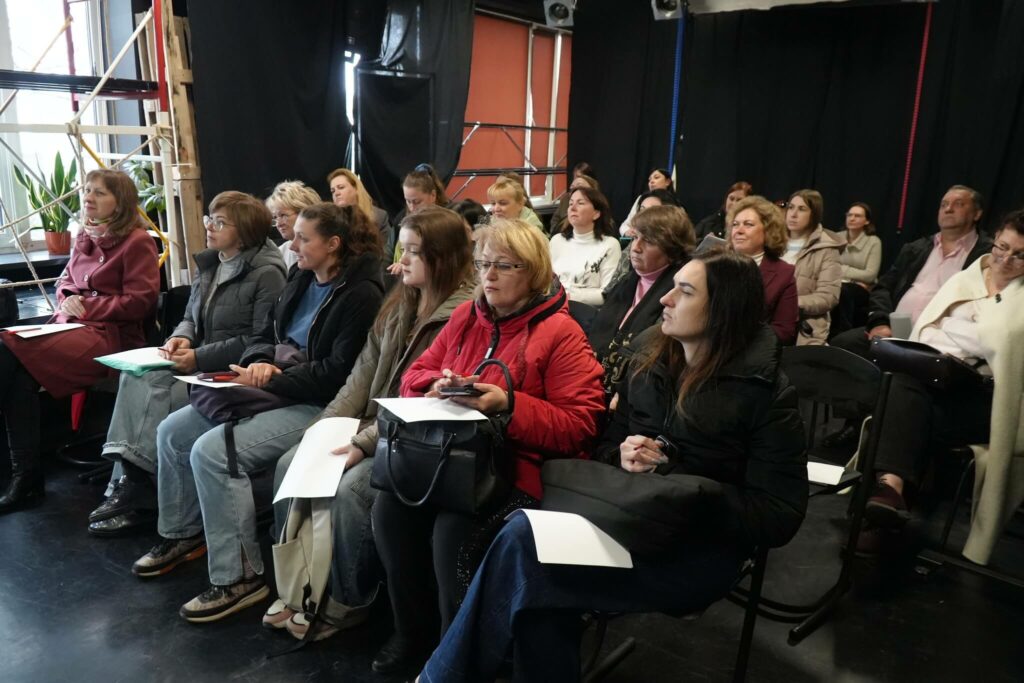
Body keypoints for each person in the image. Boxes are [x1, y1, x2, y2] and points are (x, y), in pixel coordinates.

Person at [415, 250, 808, 682]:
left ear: (723, 310)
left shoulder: (766, 393)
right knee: (528, 551)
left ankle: (439, 677)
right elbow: (601, 448)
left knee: (531, 564)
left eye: (685, 291)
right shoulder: (648, 361)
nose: (665, 299)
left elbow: (779, 514)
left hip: (696, 549)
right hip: (627, 519)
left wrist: (686, 487)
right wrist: (621, 455)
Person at [370, 219, 606, 675]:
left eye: (503, 265)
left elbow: (581, 426)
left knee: (453, 534)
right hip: (450, 460)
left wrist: (509, 405)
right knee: (389, 509)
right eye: (482, 264)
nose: (488, 275)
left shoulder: (561, 333)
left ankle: (456, 659)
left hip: (515, 471)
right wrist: (437, 384)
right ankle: (412, 633)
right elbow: (413, 376)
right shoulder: (466, 317)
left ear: (533, 271)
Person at [132, 203, 385, 623]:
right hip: (271, 386)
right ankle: (183, 533)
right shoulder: (301, 276)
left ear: (333, 244)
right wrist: (259, 362)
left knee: (212, 453)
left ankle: (240, 576)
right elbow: (264, 333)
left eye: (303, 238)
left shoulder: (361, 295)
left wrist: (272, 378)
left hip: (316, 404)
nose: (292, 243)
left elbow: (337, 375)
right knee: (172, 433)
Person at [263, 206, 477, 640]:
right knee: (292, 463)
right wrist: (323, 426)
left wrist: (363, 441)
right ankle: (298, 586)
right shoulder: (401, 302)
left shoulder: (462, 316)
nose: (403, 260)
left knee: (350, 492)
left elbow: (420, 403)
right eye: (403, 249)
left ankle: (346, 600)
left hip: (415, 436)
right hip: (372, 423)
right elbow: (360, 378)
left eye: (414, 251)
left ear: (443, 257)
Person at [88, 191, 287, 536]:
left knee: (154, 393)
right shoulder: (211, 263)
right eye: (210, 218)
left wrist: (198, 356)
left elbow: (259, 340)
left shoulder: (267, 273)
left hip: (230, 371)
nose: (209, 226)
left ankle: (137, 491)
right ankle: (132, 484)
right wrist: (179, 337)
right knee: (134, 379)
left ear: (244, 233)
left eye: (220, 223)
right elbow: (190, 318)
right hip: (196, 362)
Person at [861, 210, 1024, 566]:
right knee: (904, 388)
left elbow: (1004, 354)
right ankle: (889, 497)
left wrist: (960, 340)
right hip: (934, 381)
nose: (1005, 259)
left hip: (989, 399)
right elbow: (927, 330)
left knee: (902, 407)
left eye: (1019, 254)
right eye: (1002, 247)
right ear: (995, 238)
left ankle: (883, 502)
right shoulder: (967, 278)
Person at [0, 169, 159, 513]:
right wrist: (69, 296)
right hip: (73, 327)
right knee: (19, 377)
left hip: (112, 337)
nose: (88, 197)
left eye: (99, 192)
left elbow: (141, 302)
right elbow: (65, 282)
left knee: (6, 348)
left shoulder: (138, 241)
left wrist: (86, 306)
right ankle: (26, 478)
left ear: (120, 201)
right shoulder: (84, 234)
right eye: (87, 190)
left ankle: (26, 480)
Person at [825, 185, 992, 446]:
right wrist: (880, 322)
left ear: (977, 213)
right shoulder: (917, 248)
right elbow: (883, 288)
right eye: (944, 204)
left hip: (940, 339)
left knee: (908, 367)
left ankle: (890, 434)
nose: (948, 208)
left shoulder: (986, 255)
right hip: (895, 328)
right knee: (844, 345)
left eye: (958, 204)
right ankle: (856, 423)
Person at [588, 205, 694, 398]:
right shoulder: (627, 281)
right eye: (635, 237)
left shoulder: (679, 294)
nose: (636, 248)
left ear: (672, 249)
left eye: (649, 241)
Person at [727, 195, 800, 345]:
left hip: (753, 349)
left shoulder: (784, 274)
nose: (739, 230)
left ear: (768, 231)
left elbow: (785, 331)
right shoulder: (715, 265)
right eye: (735, 224)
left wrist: (741, 336)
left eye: (748, 225)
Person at [782, 189, 842, 345]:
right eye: (791, 207)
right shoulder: (772, 242)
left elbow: (828, 297)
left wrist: (790, 303)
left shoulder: (827, 249)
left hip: (804, 327)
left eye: (802, 209)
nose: (793, 214)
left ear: (814, 214)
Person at [549, 186, 621, 306]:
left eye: (580, 203)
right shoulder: (557, 241)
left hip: (586, 311)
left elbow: (607, 294)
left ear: (596, 214)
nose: (573, 208)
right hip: (555, 306)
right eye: (570, 203)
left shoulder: (610, 245)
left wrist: (568, 296)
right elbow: (545, 282)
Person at [604, 188, 680, 293]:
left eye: (652, 211)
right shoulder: (629, 250)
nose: (636, 248)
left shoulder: (678, 275)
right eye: (642, 209)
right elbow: (610, 291)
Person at [830, 202, 882, 338]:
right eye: (849, 215)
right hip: (837, 282)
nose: (852, 218)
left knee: (844, 291)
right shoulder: (836, 237)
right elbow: (828, 265)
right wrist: (848, 274)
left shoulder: (873, 241)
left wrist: (841, 270)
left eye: (857, 216)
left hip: (862, 288)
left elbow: (870, 275)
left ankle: (841, 336)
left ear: (867, 221)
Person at [388, 164, 450, 274]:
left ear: (433, 195)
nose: (412, 207)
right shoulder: (401, 218)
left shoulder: (447, 223)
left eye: (417, 202)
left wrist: (406, 265)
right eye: (408, 201)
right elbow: (387, 253)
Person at [328, 167, 392, 253]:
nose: (336, 193)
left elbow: (386, 252)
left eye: (341, 187)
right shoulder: (330, 220)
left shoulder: (379, 216)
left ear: (356, 189)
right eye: (333, 191)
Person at [265, 180, 321, 271]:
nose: (278, 224)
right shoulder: (280, 253)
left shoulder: (321, 248)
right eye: (275, 217)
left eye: (283, 215)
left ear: (304, 212)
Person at [619, 168, 674, 236]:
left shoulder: (674, 202)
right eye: (649, 180)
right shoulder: (642, 198)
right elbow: (626, 224)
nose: (651, 181)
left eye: (656, 177)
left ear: (667, 182)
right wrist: (627, 231)